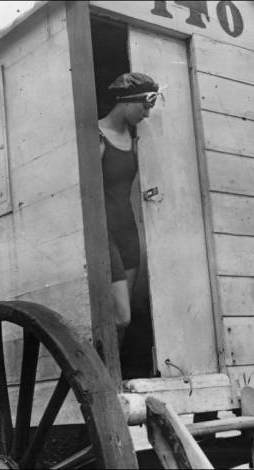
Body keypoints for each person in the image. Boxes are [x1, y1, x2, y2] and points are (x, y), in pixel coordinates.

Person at [98, 72, 162, 347]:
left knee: (124, 324)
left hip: (129, 236)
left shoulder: (138, 140)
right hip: (105, 235)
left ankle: (116, 382)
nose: (147, 115)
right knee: (121, 316)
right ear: (125, 101)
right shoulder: (97, 136)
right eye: (144, 107)